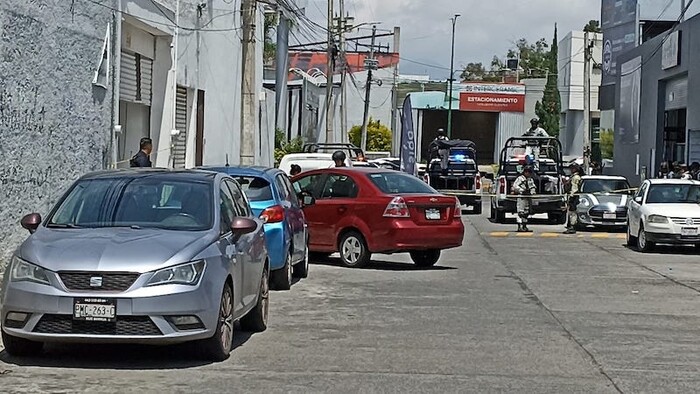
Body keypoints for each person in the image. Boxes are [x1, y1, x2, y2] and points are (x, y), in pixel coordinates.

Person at [512, 165, 536, 233]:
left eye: (530, 172)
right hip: (521, 196)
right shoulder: (520, 178)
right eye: (528, 172)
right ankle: (519, 226)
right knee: (520, 212)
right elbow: (515, 186)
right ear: (525, 172)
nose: (529, 174)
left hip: (528, 197)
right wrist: (522, 190)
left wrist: (532, 192)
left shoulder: (530, 179)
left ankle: (525, 226)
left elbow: (533, 187)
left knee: (526, 212)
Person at [564, 163, 583, 234]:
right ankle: (570, 226)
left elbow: (574, 188)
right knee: (570, 212)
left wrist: (571, 197)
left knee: (572, 212)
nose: (570, 170)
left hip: (574, 196)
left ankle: (572, 226)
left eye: (572, 168)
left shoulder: (576, 177)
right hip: (572, 196)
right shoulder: (573, 177)